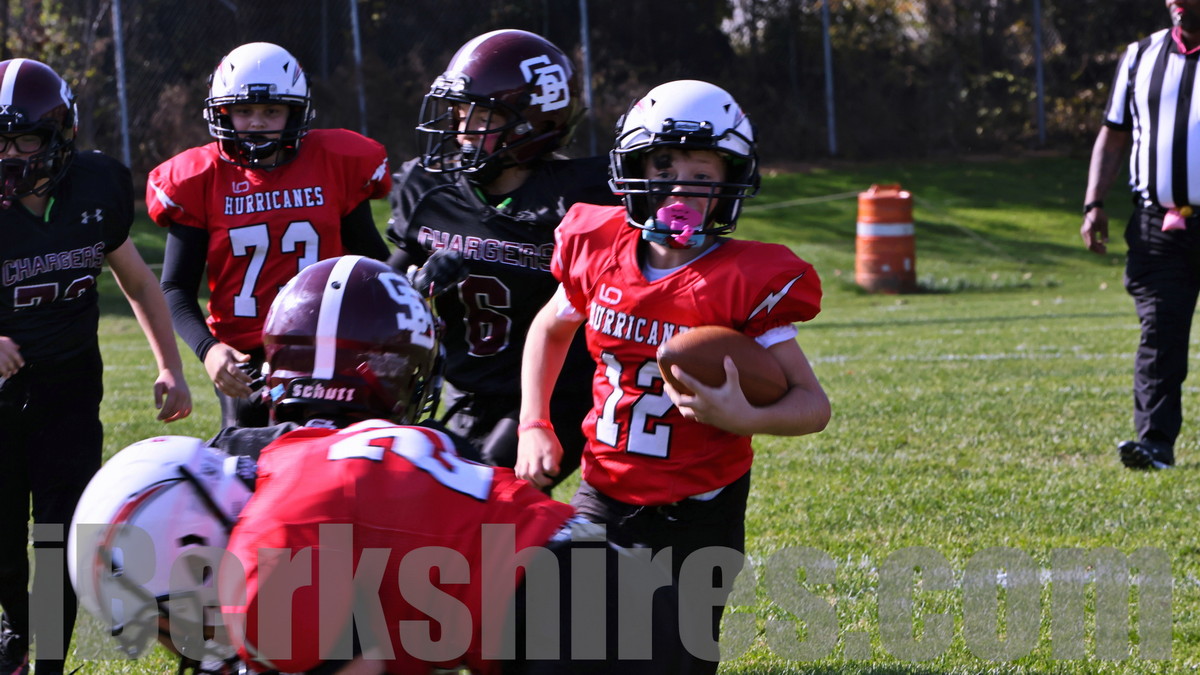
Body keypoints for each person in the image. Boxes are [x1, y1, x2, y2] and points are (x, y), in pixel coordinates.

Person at [69, 256, 681, 675]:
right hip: (611, 591)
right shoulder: (307, 468)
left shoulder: (272, 538)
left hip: (579, 630)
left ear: (192, 543)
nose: (179, 639)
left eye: (169, 620)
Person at [517, 80, 831, 673]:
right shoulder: (598, 245)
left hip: (699, 508)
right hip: (604, 491)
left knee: (675, 659)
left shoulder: (745, 279)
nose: (680, 185)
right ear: (632, 169)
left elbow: (813, 405)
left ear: (732, 178)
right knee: (571, 647)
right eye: (663, 166)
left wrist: (746, 416)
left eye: (701, 170)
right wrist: (534, 422)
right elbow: (550, 328)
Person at [0, 58, 192, 675]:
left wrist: (170, 366)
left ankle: (49, 663)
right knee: (4, 544)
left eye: (23, 140)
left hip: (69, 386)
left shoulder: (96, 186)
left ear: (60, 137)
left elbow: (137, 280)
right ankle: (16, 631)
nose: (9, 155)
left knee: (58, 536)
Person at [387, 29, 620, 487]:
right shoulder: (431, 190)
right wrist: (416, 285)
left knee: (483, 495)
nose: (461, 131)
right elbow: (383, 289)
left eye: (481, 117)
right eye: (459, 113)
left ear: (529, 124)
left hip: (553, 394)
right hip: (462, 391)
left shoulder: (579, 201)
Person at [149, 42, 391, 429]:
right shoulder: (200, 177)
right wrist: (209, 350)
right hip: (245, 356)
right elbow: (175, 287)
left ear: (294, 111)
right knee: (250, 453)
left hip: (331, 346)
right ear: (223, 112)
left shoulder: (335, 162)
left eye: (271, 111)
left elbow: (374, 263)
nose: (257, 122)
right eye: (244, 111)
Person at [1081, 0, 1200, 470]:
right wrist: (1094, 202)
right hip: (1159, 226)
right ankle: (1154, 445)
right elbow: (1113, 134)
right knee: (1159, 334)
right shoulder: (1140, 55)